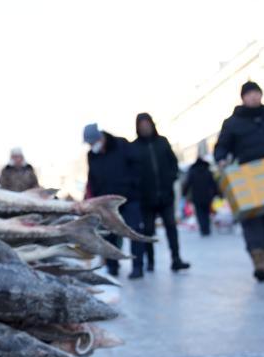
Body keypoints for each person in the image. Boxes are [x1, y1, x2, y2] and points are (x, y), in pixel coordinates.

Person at [214, 80, 264, 281]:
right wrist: (221, 158)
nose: (253, 96)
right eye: (249, 94)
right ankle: (259, 262)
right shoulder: (232, 123)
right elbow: (221, 146)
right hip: (248, 178)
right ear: (243, 98)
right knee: (252, 219)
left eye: (256, 93)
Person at [83, 123, 144, 277]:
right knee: (109, 234)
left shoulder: (121, 144)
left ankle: (137, 267)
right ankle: (112, 266)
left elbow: (137, 166)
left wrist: (133, 186)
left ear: (100, 138)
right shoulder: (92, 155)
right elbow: (92, 179)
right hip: (107, 203)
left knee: (134, 231)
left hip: (128, 199)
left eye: (92, 142)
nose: (91, 146)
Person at [133, 113, 190, 275]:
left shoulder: (162, 142)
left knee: (171, 226)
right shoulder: (135, 147)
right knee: (148, 231)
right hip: (146, 199)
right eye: (142, 126)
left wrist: (171, 178)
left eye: (147, 124)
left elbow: (173, 162)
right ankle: (150, 261)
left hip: (165, 196)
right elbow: (133, 172)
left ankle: (176, 259)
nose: (145, 128)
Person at [182, 151, 219, 236]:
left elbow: (187, 184)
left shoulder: (192, 172)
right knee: (206, 212)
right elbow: (213, 184)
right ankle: (207, 229)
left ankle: (203, 229)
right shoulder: (207, 171)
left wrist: (184, 193)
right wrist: (216, 193)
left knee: (200, 213)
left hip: (197, 196)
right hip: (207, 196)